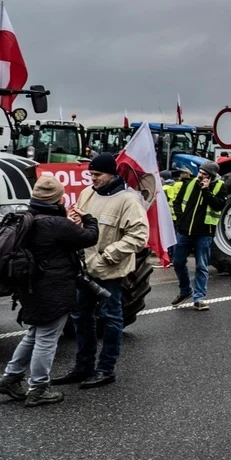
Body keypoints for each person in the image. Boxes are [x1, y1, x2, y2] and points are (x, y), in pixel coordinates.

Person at [52, 152, 149, 389]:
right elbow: (81, 224)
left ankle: (106, 369)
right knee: (80, 317)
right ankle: (83, 367)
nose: (92, 179)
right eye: (90, 174)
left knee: (111, 317)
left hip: (109, 272)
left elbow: (138, 236)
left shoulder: (129, 200)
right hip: (84, 269)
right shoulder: (87, 194)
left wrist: (109, 255)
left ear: (111, 174)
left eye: (97, 175)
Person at [0, 176, 99, 407]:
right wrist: (88, 218)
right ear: (59, 198)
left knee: (35, 334)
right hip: (53, 288)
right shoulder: (56, 223)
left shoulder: (26, 218)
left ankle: (10, 377)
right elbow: (89, 237)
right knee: (46, 339)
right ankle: (38, 388)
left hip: (29, 286)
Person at [170, 160, 226, 311]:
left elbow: (218, 205)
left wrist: (206, 190)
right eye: (200, 172)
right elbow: (177, 202)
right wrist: (181, 221)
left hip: (204, 233)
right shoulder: (189, 183)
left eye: (204, 174)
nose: (200, 176)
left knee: (201, 266)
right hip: (184, 231)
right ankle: (185, 290)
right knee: (178, 262)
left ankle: (199, 297)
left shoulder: (220, 186)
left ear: (212, 177)